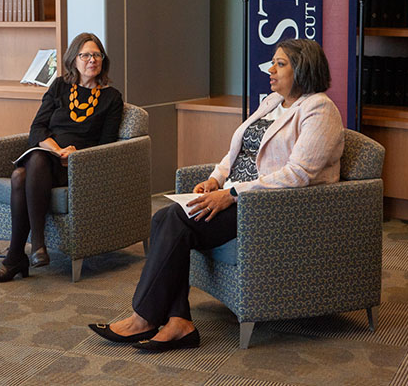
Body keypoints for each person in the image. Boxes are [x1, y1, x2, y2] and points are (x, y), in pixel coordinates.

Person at [89, 38, 345, 352]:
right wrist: (215, 179)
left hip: (270, 207)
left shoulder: (320, 108)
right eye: (272, 62)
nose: (271, 69)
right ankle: (177, 321)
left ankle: (146, 317)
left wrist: (232, 193)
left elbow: (298, 174)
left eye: (281, 64)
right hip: (237, 196)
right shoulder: (272, 103)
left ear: (304, 69)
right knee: (167, 219)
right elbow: (237, 152)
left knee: (170, 220)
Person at [0, 33, 124, 282]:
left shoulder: (111, 98)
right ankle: (32, 248)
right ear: (74, 60)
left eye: (97, 55)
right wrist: (55, 148)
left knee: (20, 175)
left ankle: (19, 256)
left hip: (78, 166)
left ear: (103, 60)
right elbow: (37, 128)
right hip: (48, 155)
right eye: (85, 55)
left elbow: (107, 144)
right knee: (30, 165)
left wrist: (76, 155)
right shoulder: (59, 86)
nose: (92, 60)